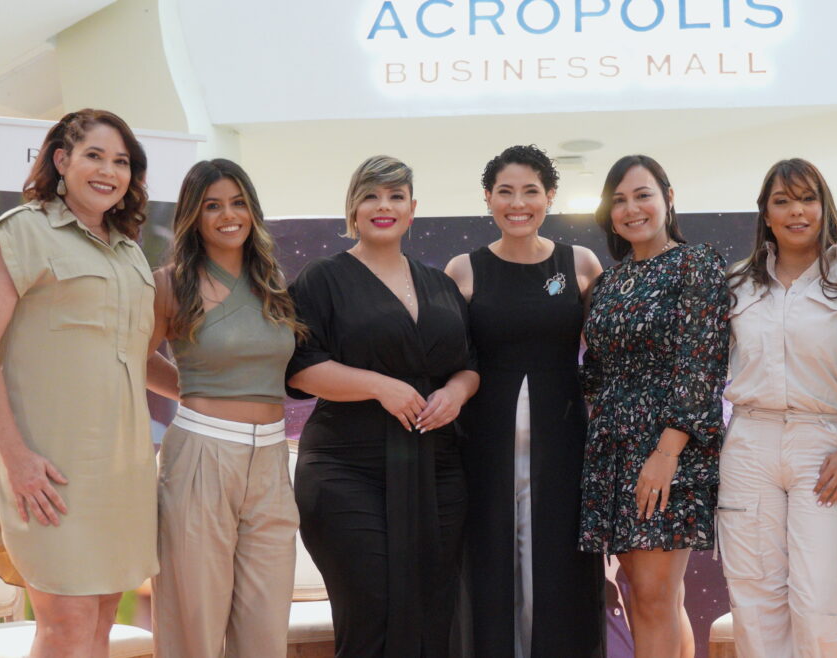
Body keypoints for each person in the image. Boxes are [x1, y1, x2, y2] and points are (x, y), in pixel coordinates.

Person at [0, 109, 158, 657]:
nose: (108, 171)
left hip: (122, 471)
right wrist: (16, 457)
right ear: (61, 160)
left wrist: (208, 395)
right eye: (94, 155)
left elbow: (136, 355)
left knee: (98, 626)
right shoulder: (18, 233)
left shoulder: (130, 252)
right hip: (49, 469)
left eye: (121, 162)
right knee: (65, 626)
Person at [285, 155, 479, 657]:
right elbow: (300, 368)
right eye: (371, 196)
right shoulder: (322, 278)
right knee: (371, 610)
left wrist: (456, 392)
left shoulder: (439, 285)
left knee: (435, 613)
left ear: (412, 210)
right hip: (348, 469)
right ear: (352, 210)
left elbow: (469, 364)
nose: (383, 206)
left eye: (395, 196)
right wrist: (379, 385)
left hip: (436, 469)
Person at [719, 158, 837, 657]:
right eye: (783, 201)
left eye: (807, 198)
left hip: (829, 443)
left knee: (825, 599)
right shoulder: (736, 284)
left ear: (825, 206)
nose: (797, 211)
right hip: (749, 444)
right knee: (755, 600)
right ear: (765, 214)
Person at [445, 145, 605, 657]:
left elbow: (606, 357)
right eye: (505, 192)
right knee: (489, 564)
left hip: (563, 442)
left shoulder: (579, 263)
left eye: (531, 191)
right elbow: (446, 360)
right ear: (488, 198)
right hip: (481, 445)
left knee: (558, 565)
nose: (518, 203)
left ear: (550, 197)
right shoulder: (463, 270)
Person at [149, 159, 305, 657]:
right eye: (212, 206)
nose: (228, 215)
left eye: (238, 203)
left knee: (265, 626)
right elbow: (136, 359)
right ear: (194, 216)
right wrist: (193, 394)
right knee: (194, 622)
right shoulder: (171, 284)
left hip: (271, 463)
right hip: (201, 455)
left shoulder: (274, 284)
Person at [578, 154, 730, 658]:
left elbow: (701, 367)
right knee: (653, 597)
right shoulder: (606, 283)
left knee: (654, 596)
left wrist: (664, 456)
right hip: (612, 453)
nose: (631, 208)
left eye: (642, 194)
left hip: (668, 451)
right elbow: (595, 373)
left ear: (668, 197)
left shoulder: (696, 263)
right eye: (618, 200)